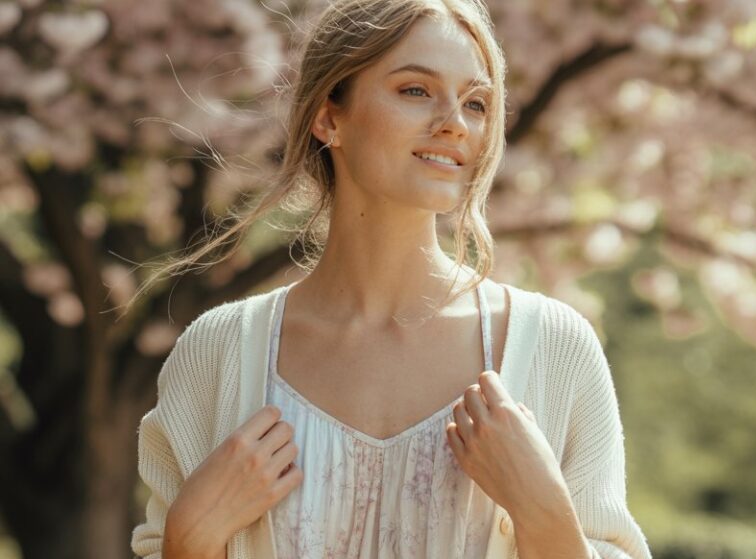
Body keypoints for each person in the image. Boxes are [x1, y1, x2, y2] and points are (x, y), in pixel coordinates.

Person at [131, 0, 653, 557]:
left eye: (476, 103)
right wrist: (189, 538)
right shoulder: (216, 354)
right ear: (329, 117)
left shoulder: (555, 348)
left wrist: (544, 512)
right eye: (416, 90)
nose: (455, 123)